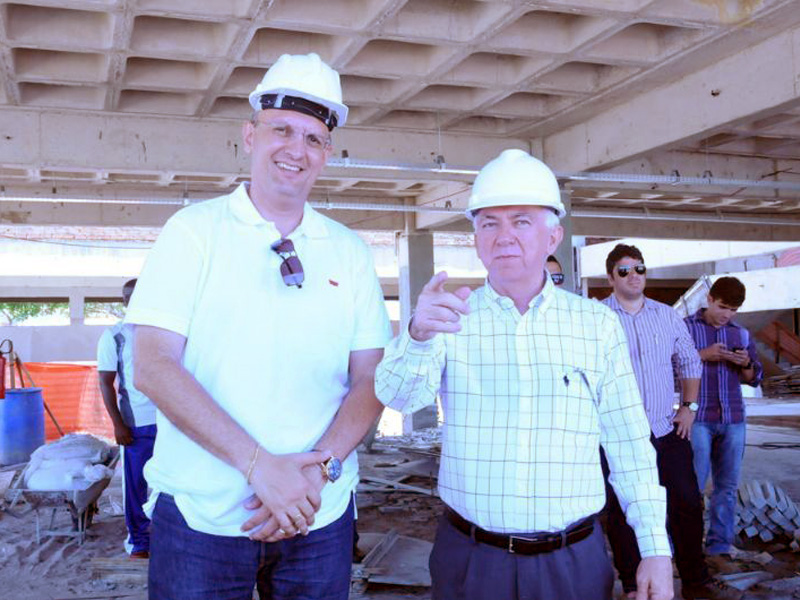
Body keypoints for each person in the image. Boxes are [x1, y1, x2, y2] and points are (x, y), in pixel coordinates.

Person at [125, 53, 392, 600]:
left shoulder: (348, 251)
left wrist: (313, 477)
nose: (296, 149)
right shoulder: (194, 233)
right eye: (282, 130)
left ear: (328, 154)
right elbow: (151, 365)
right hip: (204, 518)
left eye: (314, 138)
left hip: (317, 517)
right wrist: (258, 467)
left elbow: (371, 378)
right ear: (250, 136)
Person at [375, 149, 673, 600]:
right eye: (489, 223)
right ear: (475, 236)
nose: (504, 236)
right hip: (471, 559)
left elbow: (628, 440)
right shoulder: (450, 318)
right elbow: (398, 399)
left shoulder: (594, 325)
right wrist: (416, 334)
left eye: (521, 221)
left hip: (571, 561)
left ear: (553, 235)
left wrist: (654, 548)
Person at [601, 245, 741, 600]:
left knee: (686, 503)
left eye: (639, 268)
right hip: (617, 435)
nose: (634, 275)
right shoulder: (596, 317)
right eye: (624, 270)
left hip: (666, 429)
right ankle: (634, 585)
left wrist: (689, 407)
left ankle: (695, 580)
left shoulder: (666, 316)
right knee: (620, 510)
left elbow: (690, 363)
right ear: (610, 277)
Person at [684, 277, 763, 558]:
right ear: (709, 299)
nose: (726, 314)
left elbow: (754, 378)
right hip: (699, 417)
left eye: (733, 309)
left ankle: (718, 547)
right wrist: (703, 354)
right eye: (722, 307)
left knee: (726, 488)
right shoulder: (686, 328)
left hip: (733, 418)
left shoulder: (740, 334)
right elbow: (669, 366)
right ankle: (687, 547)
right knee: (691, 487)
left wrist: (746, 364)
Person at [97, 278, 156, 559]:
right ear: (123, 301)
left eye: (138, 293)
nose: (132, 300)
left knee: (173, 481)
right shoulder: (114, 335)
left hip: (173, 422)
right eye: (127, 296)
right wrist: (118, 424)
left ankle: (171, 536)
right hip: (137, 425)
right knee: (135, 485)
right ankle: (139, 542)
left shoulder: (166, 330)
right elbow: (106, 382)